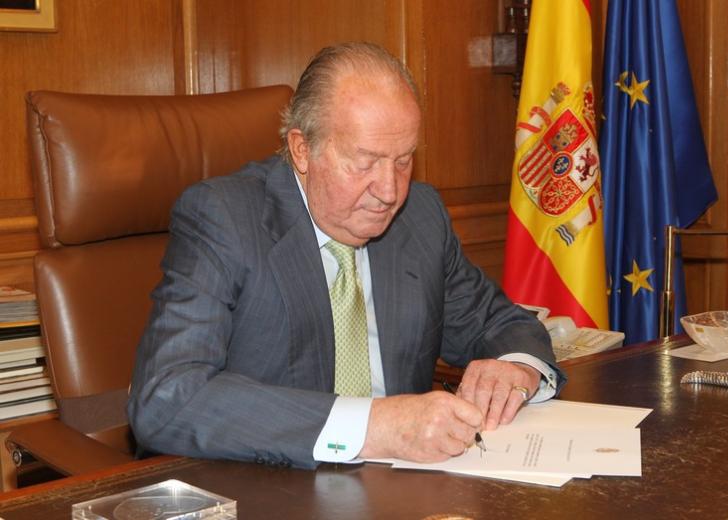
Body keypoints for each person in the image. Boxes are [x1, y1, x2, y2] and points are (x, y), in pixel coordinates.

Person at [128, 42, 564, 469]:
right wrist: (375, 426)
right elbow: (168, 398)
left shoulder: (420, 217)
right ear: (302, 149)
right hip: (272, 487)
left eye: (403, 160)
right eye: (365, 161)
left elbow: (501, 323)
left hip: (406, 489)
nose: (389, 191)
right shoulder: (227, 220)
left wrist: (516, 369)